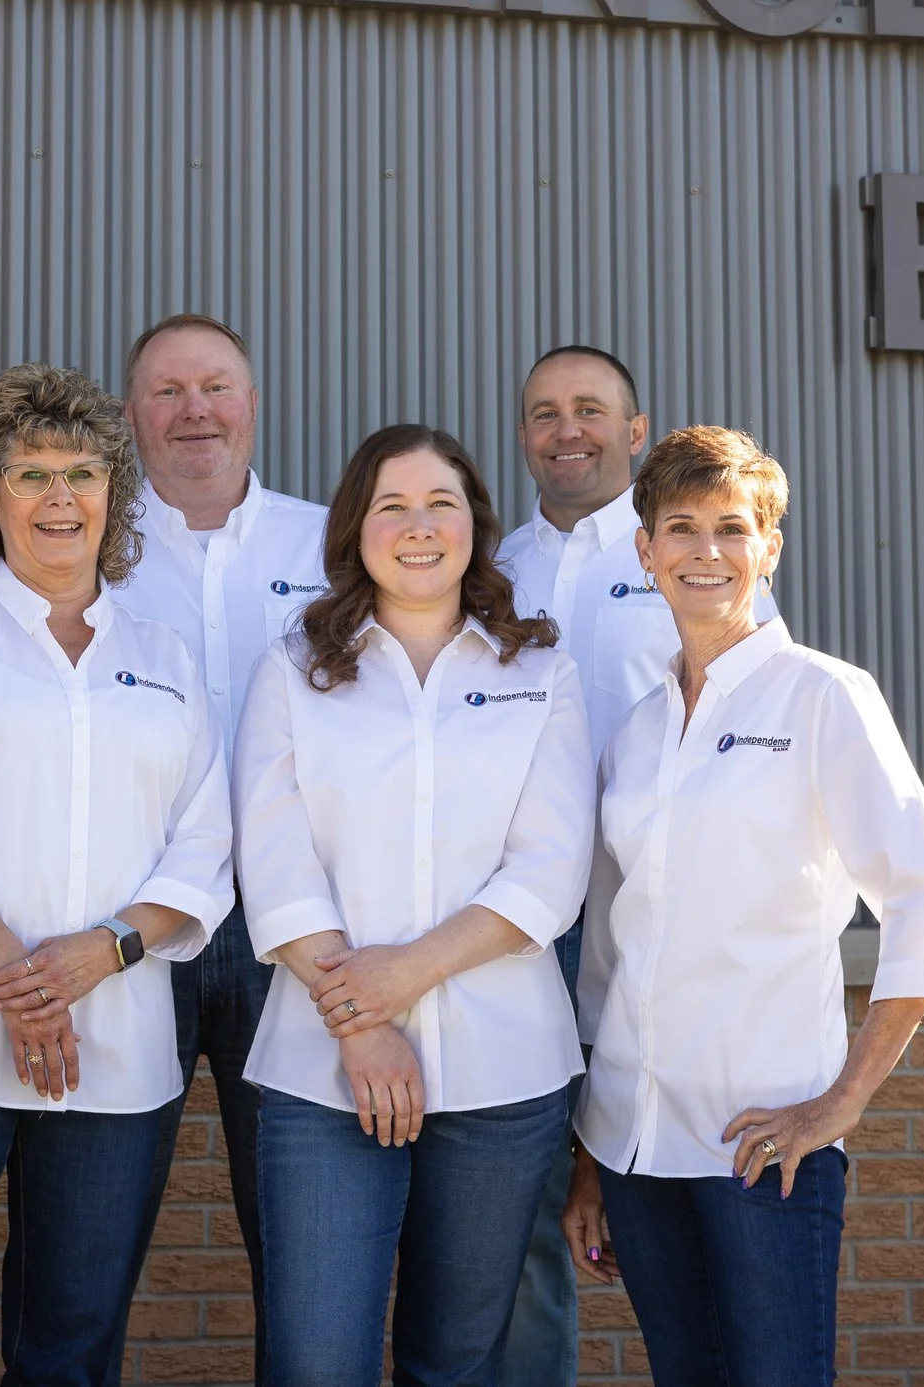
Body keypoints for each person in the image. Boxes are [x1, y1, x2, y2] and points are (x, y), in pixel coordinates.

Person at [0, 363, 236, 1386]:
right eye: (30, 474)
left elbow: (206, 840)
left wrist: (98, 953)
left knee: (73, 1338)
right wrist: (22, 976)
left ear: (115, 493)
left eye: (82, 473)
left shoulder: (166, 655)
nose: (60, 497)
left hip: (117, 1049)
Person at [562, 426, 924, 1387]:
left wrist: (844, 1099)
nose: (707, 551)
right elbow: (611, 957)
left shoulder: (824, 696)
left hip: (764, 1147)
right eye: (681, 527)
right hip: (637, 1148)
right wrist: (591, 1156)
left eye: (732, 528)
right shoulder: (638, 728)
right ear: (646, 551)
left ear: (769, 548)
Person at [237, 423, 592, 1387]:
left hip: (502, 1074)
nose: (418, 526)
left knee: (456, 1362)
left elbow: (549, 871)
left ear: (475, 525)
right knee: (316, 1363)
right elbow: (274, 862)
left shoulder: (541, 672)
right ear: (356, 528)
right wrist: (363, 1020)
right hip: (323, 1069)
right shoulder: (293, 668)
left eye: (440, 503)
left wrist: (403, 974)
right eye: (391, 505)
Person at [497, 344, 773, 1379]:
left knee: (661, 1183)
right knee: (524, 1195)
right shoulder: (491, 567)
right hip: (515, 921)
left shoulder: (685, 556)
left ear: (633, 429)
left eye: (588, 410)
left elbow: (752, 723)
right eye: (541, 413)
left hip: (646, 924)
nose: (565, 429)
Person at [105, 313, 326, 1376]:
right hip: (126, 928)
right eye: (166, 389)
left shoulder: (331, 545)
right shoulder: (86, 544)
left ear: (250, 400)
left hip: (290, 930)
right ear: (130, 412)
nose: (195, 408)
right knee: (86, 1238)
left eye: (216, 386)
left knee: (298, 1239)